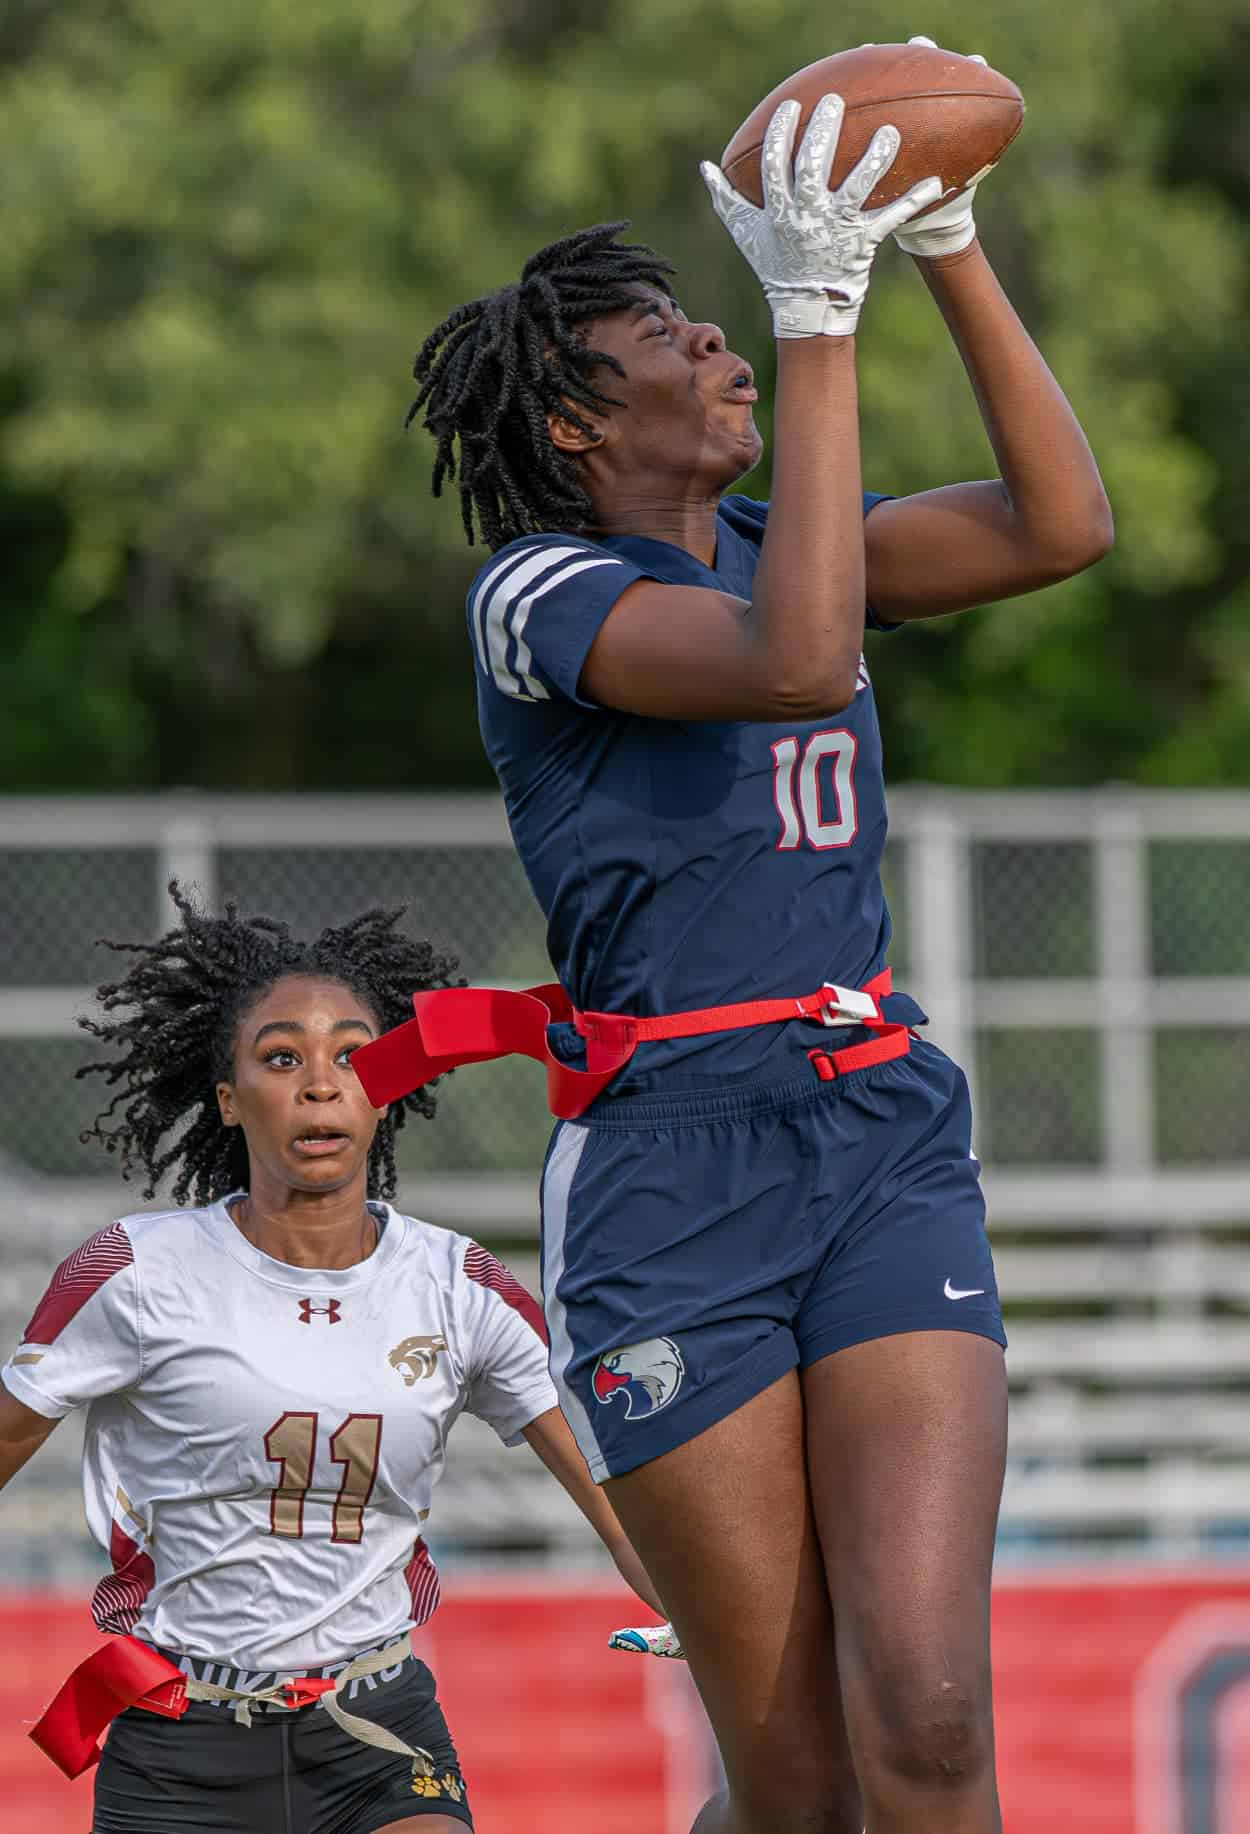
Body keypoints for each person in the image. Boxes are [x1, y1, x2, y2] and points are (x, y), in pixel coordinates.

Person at [365, 39, 1114, 1834]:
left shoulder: (793, 543)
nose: (719, 345)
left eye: (725, 326)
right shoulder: (540, 592)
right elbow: (788, 659)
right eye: (672, 344)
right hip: (671, 1173)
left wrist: (942, 248)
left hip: (872, 1130)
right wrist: (815, 317)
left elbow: (1063, 523)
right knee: (797, 1779)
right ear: (575, 425)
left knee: (927, 1709)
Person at [0, 886, 662, 1834]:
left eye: (353, 1057)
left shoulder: (461, 1285)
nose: (320, 1083)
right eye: (281, 1059)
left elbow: (622, 1507)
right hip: (179, 1746)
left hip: (375, 1727)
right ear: (229, 1100)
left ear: (386, 1086)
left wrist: (737, 1625)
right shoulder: (139, 1271)